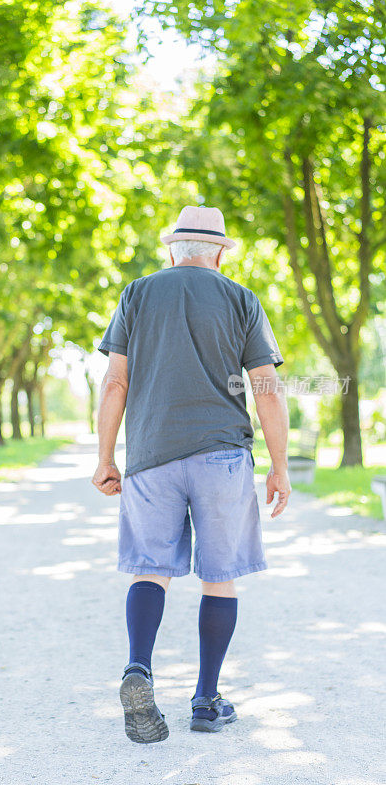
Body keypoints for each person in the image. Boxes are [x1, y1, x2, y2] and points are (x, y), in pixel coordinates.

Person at [91, 205, 291, 744]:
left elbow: (114, 382)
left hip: (152, 456)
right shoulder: (240, 299)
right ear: (221, 253)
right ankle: (205, 699)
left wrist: (106, 456)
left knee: (149, 569)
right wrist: (280, 465)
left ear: (171, 249)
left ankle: (139, 668)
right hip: (222, 456)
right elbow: (266, 389)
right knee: (218, 575)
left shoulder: (137, 293)